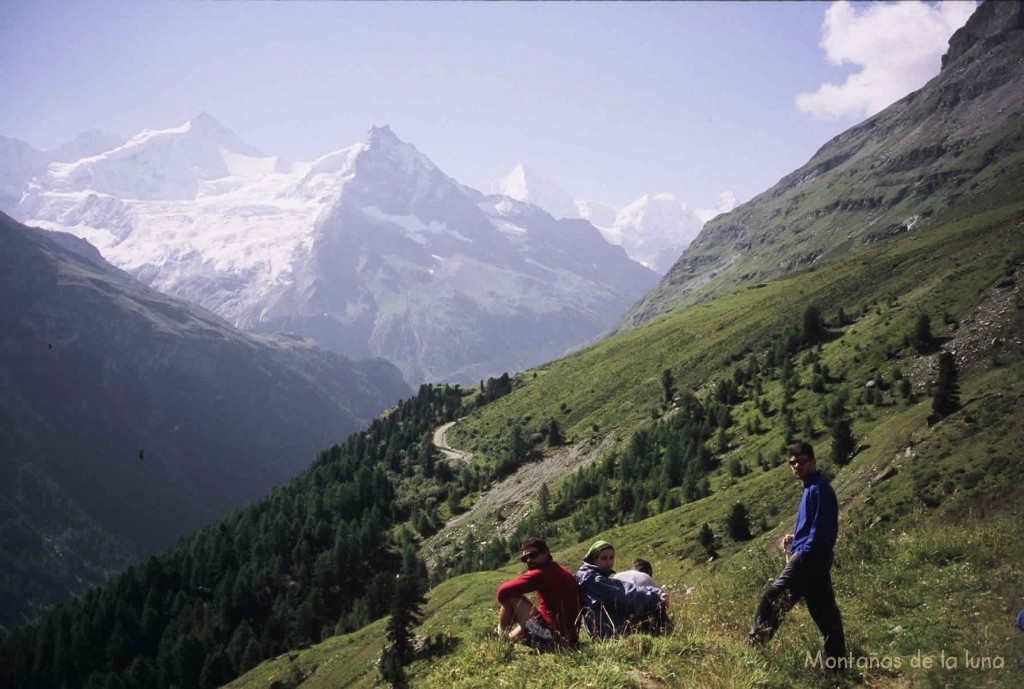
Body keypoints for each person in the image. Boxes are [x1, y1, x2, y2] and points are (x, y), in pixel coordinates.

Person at [746, 441, 847, 662]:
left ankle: (752, 648)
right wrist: (795, 538)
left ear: (813, 462)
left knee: (773, 596)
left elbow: (821, 529)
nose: (796, 466)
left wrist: (802, 554)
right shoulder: (811, 488)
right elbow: (814, 526)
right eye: (792, 463)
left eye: (801, 461)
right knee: (824, 613)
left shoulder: (819, 489)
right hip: (816, 558)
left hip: (808, 558)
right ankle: (836, 662)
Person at [496, 537, 580, 648]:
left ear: (545, 553)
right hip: (568, 639)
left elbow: (502, 591)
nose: (529, 560)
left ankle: (501, 637)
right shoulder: (557, 569)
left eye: (533, 555)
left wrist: (509, 615)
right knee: (536, 613)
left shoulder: (541, 573)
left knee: (511, 597)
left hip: (552, 639)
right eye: (525, 558)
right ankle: (507, 640)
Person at [576, 540, 668, 639]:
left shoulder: (591, 576)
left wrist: (655, 593)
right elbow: (623, 593)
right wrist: (655, 597)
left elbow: (623, 586)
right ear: (594, 559)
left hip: (604, 632)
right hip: (608, 634)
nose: (609, 563)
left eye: (611, 558)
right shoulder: (593, 580)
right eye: (604, 558)